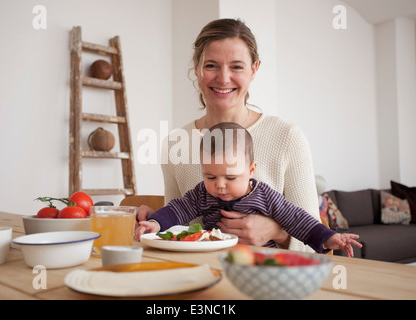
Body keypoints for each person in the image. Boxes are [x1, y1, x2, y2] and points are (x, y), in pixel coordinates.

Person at [137, 18, 321, 252]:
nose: (223, 79)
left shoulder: (287, 137)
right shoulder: (175, 143)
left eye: (236, 66)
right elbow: (179, 228)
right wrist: (153, 223)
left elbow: (317, 247)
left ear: (254, 69)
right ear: (196, 69)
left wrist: (278, 233)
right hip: (199, 275)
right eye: (211, 65)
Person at [136, 123, 362, 257]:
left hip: (260, 262)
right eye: (210, 176)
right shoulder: (203, 193)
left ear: (251, 170)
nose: (220, 185)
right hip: (214, 260)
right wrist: (154, 223)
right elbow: (177, 210)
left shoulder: (265, 195)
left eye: (231, 177)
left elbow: (297, 219)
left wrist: (329, 238)